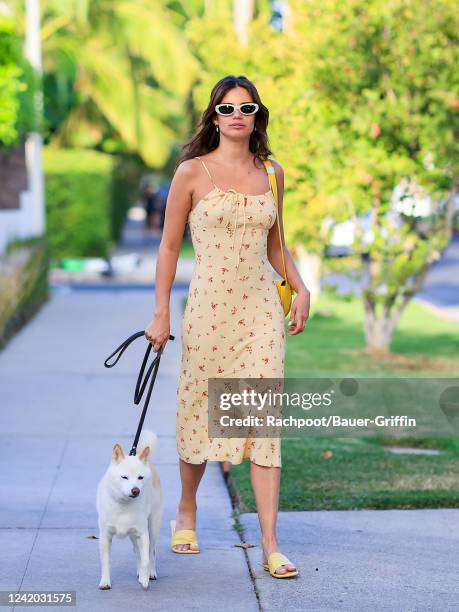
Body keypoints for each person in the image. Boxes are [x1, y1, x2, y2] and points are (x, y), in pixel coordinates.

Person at [144, 75, 310, 577]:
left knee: (262, 422)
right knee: (201, 410)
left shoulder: (273, 173)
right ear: (213, 117)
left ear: (257, 116)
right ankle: (187, 510)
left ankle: (270, 543)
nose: (237, 115)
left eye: (247, 107)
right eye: (227, 108)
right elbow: (169, 246)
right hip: (209, 310)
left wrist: (300, 288)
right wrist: (160, 313)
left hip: (260, 311)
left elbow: (277, 245)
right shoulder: (191, 173)